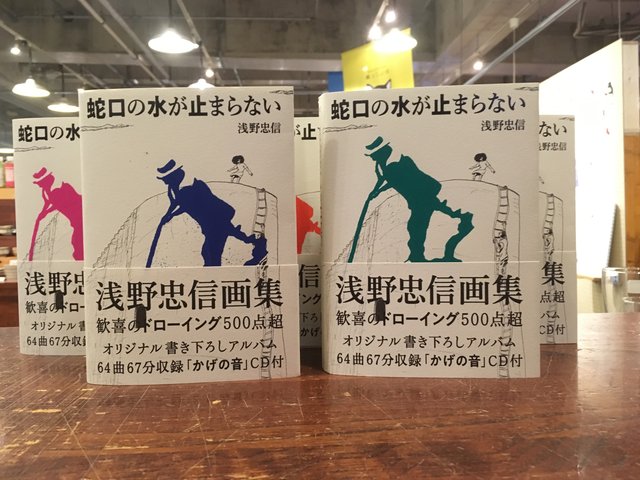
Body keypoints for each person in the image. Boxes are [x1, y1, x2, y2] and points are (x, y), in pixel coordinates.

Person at [350, 137, 473, 263]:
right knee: (423, 220)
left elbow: (392, 179)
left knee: (416, 226)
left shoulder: (398, 163)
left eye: (374, 156)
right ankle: (462, 217)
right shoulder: (385, 163)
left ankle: (417, 256)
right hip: (419, 197)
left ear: (383, 152)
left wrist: (377, 191)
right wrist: (375, 190)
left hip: (422, 196)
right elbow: (383, 178)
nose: (373, 159)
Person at [146, 159, 266, 267]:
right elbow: (177, 203)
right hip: (215, 222)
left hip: (215, 224)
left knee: (211, 254)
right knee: (219, 244)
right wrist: (167, 214)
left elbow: (183, 205)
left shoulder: (191, 189)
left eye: (166, 180)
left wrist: (169, 215)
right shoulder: (181, 189)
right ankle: (256, 243)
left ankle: (256, 249)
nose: (165, 183)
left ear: (176, 176)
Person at [29, 167, 83, 261]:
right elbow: (48, 203)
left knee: (78, 244)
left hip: (79, 220)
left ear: (48, 179)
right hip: (73, 221)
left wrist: (45, 212)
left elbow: (59, 203)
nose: (39, 186)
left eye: (40, 183)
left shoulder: (62, 188)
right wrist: (42, 213)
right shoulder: (46, 190)